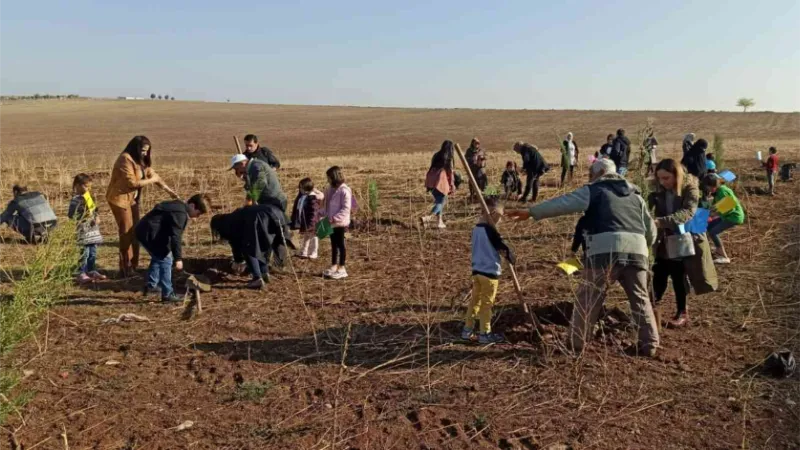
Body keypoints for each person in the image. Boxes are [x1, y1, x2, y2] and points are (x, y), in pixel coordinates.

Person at [506, 158, 659, 356]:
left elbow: (563, 203)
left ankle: (575, 343)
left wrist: (532, 212)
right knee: (640, 297)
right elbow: (651, 231)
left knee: (588, 297)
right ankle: (650, 344)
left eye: (590, 174)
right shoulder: (636, 196)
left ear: (599, 173)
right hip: (637, 251)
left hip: (604, 251)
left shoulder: (594, 190)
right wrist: (643, 247)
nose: (589, 177)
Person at [107, 136, 179, 278]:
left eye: (147, 151)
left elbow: (153, 175)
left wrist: (168, 190)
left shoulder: (140, 161)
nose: (145, 154)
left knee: (137, 231)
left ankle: (134, 265)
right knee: (126, 232)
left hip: (132, 200)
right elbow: (132, 183)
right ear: (135, 148)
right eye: (142, 150)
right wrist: (151, 180)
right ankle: (125, 268)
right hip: (120, 199)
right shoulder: (125, 159)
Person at [648, 159, 699, 328]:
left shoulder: (689, 188)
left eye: (667, 178)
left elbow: (688, 212)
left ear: (677, 175)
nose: (663, 182)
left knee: (678, 276)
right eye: (660, 178)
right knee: (659, 272)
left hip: (681, 238)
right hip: (662, 240)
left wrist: (660, 222)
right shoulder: (658, 188)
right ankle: (650, 309)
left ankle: (682, 312)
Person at [136, 194, 211, 302]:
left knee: (159, 256)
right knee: (166, 259)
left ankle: (151, 286)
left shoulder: (179, 206)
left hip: (146, 230)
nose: (197, 217)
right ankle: (167, 294)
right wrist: (178, 259)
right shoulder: (180, 214)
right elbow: (176, 237)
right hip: (149, 233)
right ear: (192, 206)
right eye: (198, 214)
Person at [461, 197, 516, 344]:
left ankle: (467, 330)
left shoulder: (476, 229)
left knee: (475, 301)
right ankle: (485, 333)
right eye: (499, 216)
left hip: (477, 270)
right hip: (490, 274)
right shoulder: (491, 232)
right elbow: (502, 248)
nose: (500, 221)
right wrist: (510, 255)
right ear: (492, 213)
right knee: (487, 304)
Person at [211, 203, 290, 289]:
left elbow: (237, 245)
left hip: (260, 218)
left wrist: (238, 261)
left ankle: (257, 278)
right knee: (264, 244)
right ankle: (264, 273)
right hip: (276, 213)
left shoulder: (229, 224)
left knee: (249, 248)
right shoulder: (236, 215)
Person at [68, 174, 106, 283]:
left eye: (89, 187)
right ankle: (81, 272)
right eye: (86, 186)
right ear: (78, 186)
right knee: (84, 252)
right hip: (83, 230)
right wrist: (84, 217)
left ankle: (91, 270)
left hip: (93, 230)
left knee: (92, 251)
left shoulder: (89, 196)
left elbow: (94, 210)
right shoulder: (75, 200)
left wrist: (97, 217)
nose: (88, 189)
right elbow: (71, 215)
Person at [704, 175, 744, 264]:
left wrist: (714, 214)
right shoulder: (718, 191)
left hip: (734, 216)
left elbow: (730, 208)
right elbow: (715, 206)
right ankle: (718, 247)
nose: (708, 189)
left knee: (713, 232)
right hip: (726, 216)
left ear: (713, 185)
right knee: (708, 227)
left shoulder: (722, 191)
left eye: (709, 187)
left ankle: (724, 256)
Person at [323, 166, 352, 280]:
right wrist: (322, 214)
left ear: (334, 177)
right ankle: (334, 266)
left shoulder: (344, 191)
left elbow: (346, 209)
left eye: (329, 177)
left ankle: (342, 268)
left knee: (341, 245)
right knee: (333, 245)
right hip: (331, 222)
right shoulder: (330, 189)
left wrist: (335, 218)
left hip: (340, 223)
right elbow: (327, 205)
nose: (327, 180)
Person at [421, 140, 455, 229]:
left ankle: (439, 221)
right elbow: (450, 173)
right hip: (440, 181)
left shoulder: (436, 155)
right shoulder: (448, 158)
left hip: (430, 179)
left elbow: (432, 166)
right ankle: (428, 218)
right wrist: (452, 185)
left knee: (439, 201)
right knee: (441, 202)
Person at [290, 177, 324, 260]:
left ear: (306, 188)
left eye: (301, 187)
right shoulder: (304, 197)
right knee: (306, 236)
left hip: (313, 222)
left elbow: (314, 212)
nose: (300, 189)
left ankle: (314, 252)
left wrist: (311, 223)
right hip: (306, 222)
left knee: (314, 237)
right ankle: (304, 251)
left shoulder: (312, 198)